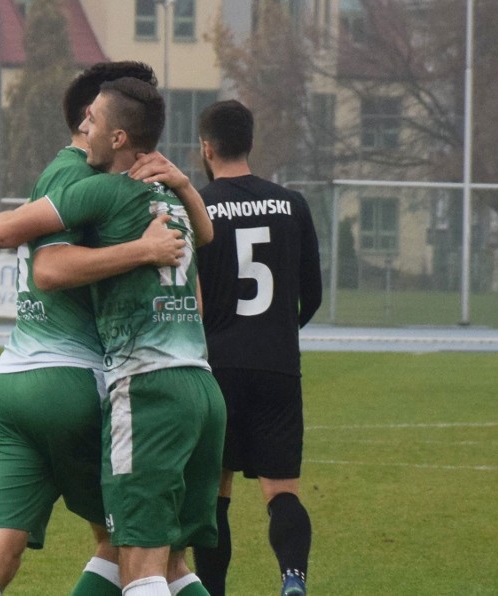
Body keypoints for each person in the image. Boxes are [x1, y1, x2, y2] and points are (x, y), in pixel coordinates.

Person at [0, 62, 187, 596]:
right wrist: (144, 250)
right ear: (93, 120)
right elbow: (50, 269)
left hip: (10, 384)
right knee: (143, 549)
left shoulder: (64, 172)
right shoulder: (82, 176)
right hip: (73, 382)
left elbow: (3, 231)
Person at [190, 100, 322, 596]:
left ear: (206, 147)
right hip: (277, 366)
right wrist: (279, 333)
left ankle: (213, 590)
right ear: (250, 142)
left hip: (217, 368)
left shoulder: (197, 206)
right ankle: (292, 580)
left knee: (213, 494)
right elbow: (314, 295)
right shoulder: (292, 204)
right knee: (281, 490)